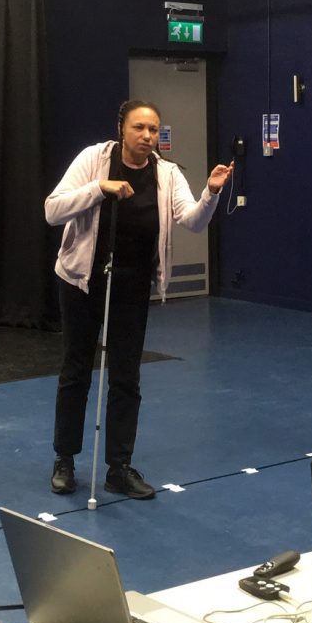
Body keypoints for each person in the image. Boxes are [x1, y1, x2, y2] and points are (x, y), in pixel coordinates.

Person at [44, 100, 233, 499]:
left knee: (126, 377)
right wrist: (99, 189)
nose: (148, 137)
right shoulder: (94, 160)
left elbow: (193, 220)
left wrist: (211, 193)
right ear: (121, 129)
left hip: (132, 286)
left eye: (153, 130)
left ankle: (119, 467)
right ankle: (65, 459)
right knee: (76, 370)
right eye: (139, 128)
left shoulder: (166, 174)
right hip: (82, 281)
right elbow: (52, 210)